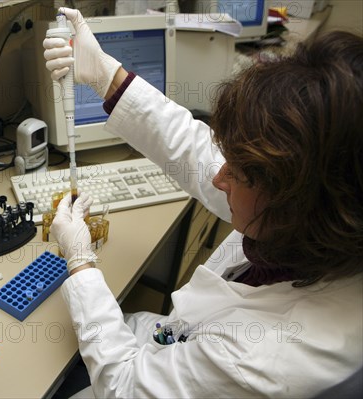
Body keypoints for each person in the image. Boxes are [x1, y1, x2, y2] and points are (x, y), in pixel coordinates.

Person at [43, 7, 363, 398]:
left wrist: (80, 263)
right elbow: (198, 152)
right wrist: (107, 76)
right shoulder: (323, 214)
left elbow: (124, 388)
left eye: (240, 172)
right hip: (178, 338)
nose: (218, 176)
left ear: (299, 205)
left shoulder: (265, 358)